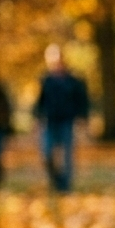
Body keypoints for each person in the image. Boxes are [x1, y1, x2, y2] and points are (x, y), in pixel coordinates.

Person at [33, 44, 89, 192]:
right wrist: (37, 118)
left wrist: (82, 118)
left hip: (67, 121)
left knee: (67, 155)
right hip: (50, 121)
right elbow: (40, 101)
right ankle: (55, 180)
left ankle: (66, 186)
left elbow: (81, 101)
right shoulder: (46, 80)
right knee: (47, 152)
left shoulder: (73, 81)